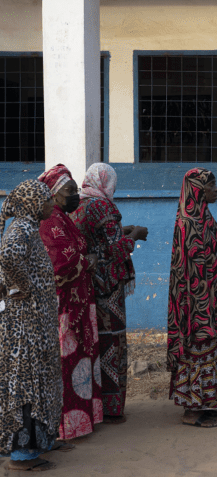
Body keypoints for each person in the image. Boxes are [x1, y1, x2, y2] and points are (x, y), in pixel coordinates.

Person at [72, 163, 149, 423]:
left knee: (95, 343)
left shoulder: (79, 206)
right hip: (109, 287)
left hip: (88, 284)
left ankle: (96, 406)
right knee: (113, 344)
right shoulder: (105, 207)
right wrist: (135, 235)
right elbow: (113, 250)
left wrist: (122, 233)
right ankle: (113, 408)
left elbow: (96, 241)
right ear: (108, 182)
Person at [168, 168, 217, 428]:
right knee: (198, 350)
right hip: (197, 305)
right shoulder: (189, 223)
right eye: (212, 185)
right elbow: (187, 271)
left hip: (212, 299)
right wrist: (199, 308)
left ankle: (208, 402)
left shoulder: (204, 217)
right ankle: (192, 410)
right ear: (199, 190)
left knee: (214, 350)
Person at [38, 164, 103, 441]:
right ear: (53, 195)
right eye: (69, 190)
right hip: (64, 306)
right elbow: (58, 265)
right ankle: (65, 426)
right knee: (67, 364)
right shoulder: (49, 223)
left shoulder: (63, 218)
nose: (75, 194)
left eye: (76, 188)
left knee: (81, 362)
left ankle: (83, 420)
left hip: (80, 301)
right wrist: (86, 263)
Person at [0, 180, 61, 471]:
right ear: (33, 203)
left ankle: (37, 444)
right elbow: (8, 256)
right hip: (25, 326)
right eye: (47, 198)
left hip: (35, 322)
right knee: (26, 384)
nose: (52, 203)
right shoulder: (21, 227)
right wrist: (20, 285)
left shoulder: (28, 227)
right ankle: (22, 456)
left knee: (37, 381)